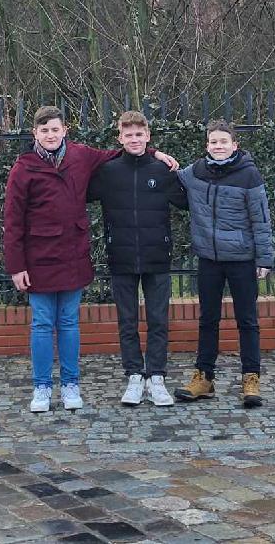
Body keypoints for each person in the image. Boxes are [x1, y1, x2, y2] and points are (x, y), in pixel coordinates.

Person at [3, 105, 178, 413]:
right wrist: (16, 266)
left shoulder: (80, 155)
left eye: (55, 129)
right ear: (35, 133)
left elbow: (123, 153)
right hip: (39, 256)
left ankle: (71, 384)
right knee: (42, 324)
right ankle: (42, 386)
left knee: (69, 322)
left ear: (64, 130)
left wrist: (155, 154)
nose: (50, 135)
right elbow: (13, 220)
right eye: (44, 130)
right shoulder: (23, 168)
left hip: (73, 253)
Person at [87, 111, 188, 407]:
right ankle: (134, 375)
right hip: (121, 256)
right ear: (120, 138)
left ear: (148, 136)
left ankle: (156, 376)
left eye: (139, 134)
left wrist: (162, 159)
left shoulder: (161, 170)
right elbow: (77, 191)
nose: (134, 139)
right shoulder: (108, 172)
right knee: (127, 321)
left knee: (158, 320)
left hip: (157, 256)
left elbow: (187, 200)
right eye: (128, 135)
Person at [174, 119, 274, 408]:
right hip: (209, 258)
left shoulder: (249, 175)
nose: (218, 146)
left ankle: (251, 379)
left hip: (242, 259)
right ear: (207, 145)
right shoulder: (196, 171)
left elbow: (261, 218)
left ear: (234, 145)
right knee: (208, 320)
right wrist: (157, 155)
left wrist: (264, 257)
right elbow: (171, 177)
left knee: (247, 321)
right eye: (213, 142)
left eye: (223, 141)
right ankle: (204, 378)